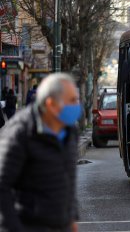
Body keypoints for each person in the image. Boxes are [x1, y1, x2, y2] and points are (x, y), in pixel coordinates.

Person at [0, 73, 81, 232]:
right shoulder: (20, 132)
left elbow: (68, 179)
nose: (77, 106)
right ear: (51, 104)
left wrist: (71, 218)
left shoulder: (70, 130)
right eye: (72, 101)